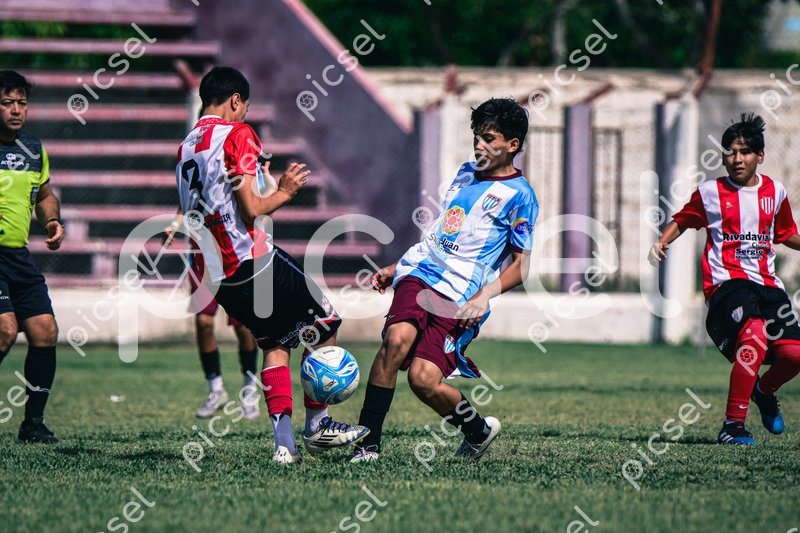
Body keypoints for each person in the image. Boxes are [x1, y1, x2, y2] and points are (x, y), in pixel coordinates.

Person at [175, 66, 368, 463]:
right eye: (244, 107)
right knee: (326, 324)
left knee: (275, 342)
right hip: (252, 259)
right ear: (235, 101)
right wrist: (285, 191)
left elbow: (215, 204)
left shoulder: (186, 147)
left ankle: (285, 445)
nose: (245, 114)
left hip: (217, 274)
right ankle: (318, 425)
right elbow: (251, 209)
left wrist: (259, 184)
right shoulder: (238, 133)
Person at [352, 97, 537, 462]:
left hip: (460, 296)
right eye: (476, 137)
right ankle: (368, 444)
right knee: (395, 340)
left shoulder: (521, 197)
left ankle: (477, 431)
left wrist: (483, 296)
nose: (479, 146)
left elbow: (520, 266)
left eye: (489, 138)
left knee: (423, 379)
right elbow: (440, 235)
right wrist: (398, 267)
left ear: (512, 145)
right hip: (420, 275)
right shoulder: (465, 173)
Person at [650, 113, 800, 445]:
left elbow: (785, 233)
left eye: (745, 152)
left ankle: (763, 390)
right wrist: (661, 242)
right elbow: (683, 220)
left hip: (768, 286)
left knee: (794, 354)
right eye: (730, 152)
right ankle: (732, 426)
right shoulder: (710, 193)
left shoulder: (775, 192)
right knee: (754, 337)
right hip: (726, 285)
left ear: (760, 156)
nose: (737, 159)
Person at [0, 70, 65, 443]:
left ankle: (33, 425)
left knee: (45, 330)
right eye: (7, 102)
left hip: (17, 257)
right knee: (5, 330)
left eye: (21, 103)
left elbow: (44, 195)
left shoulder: (33, 149)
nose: (16, 110)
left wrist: (51, 220)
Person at [164, 212, 260, 420]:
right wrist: (175, 223)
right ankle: (216, 389)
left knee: (243, 325)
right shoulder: (189, 186)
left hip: (235, 256)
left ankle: (249, 390)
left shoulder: (231, 187)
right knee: (203, 322)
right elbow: (186, 201)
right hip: (203, 259)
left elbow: (251, 205)